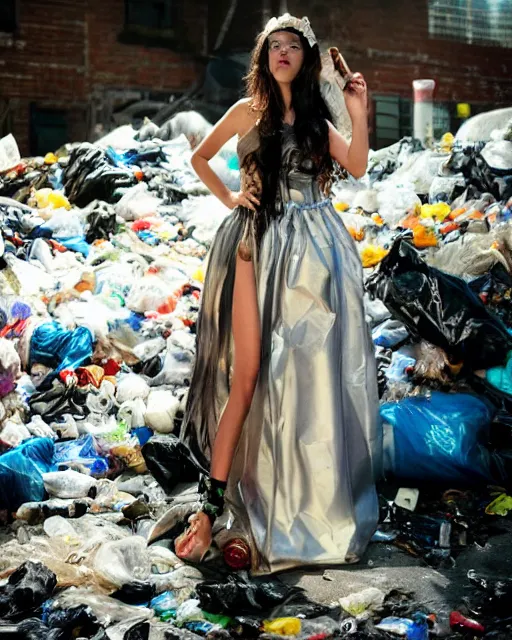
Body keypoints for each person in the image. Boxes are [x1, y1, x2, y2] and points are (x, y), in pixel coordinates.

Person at [176, 13, 382, 574]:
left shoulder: (318, 118)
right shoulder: (249, 112)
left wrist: (359, 111)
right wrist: (230, 200)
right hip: (256, 246)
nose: (283, 53)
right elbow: (199, 158)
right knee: (248, 375)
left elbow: (358, 164)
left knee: (308, 377)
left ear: (305, 58)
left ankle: (307, 503)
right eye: (274, 47)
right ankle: (210, 508)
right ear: (264, 58)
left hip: (314, 254)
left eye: (293, 46)